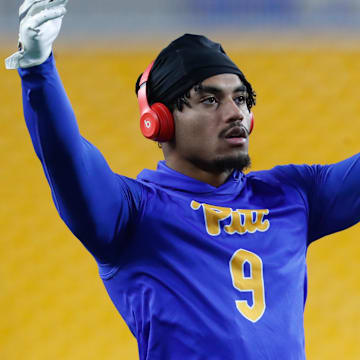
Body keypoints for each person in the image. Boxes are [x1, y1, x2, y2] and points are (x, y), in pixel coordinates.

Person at [5, 1, 360, 359]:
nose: (235, 112)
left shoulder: (293, 194)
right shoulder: (134, 214)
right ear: (159, 121)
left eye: (241, 99)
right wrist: (38, 70)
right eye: (209, 100)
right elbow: (66, 157)